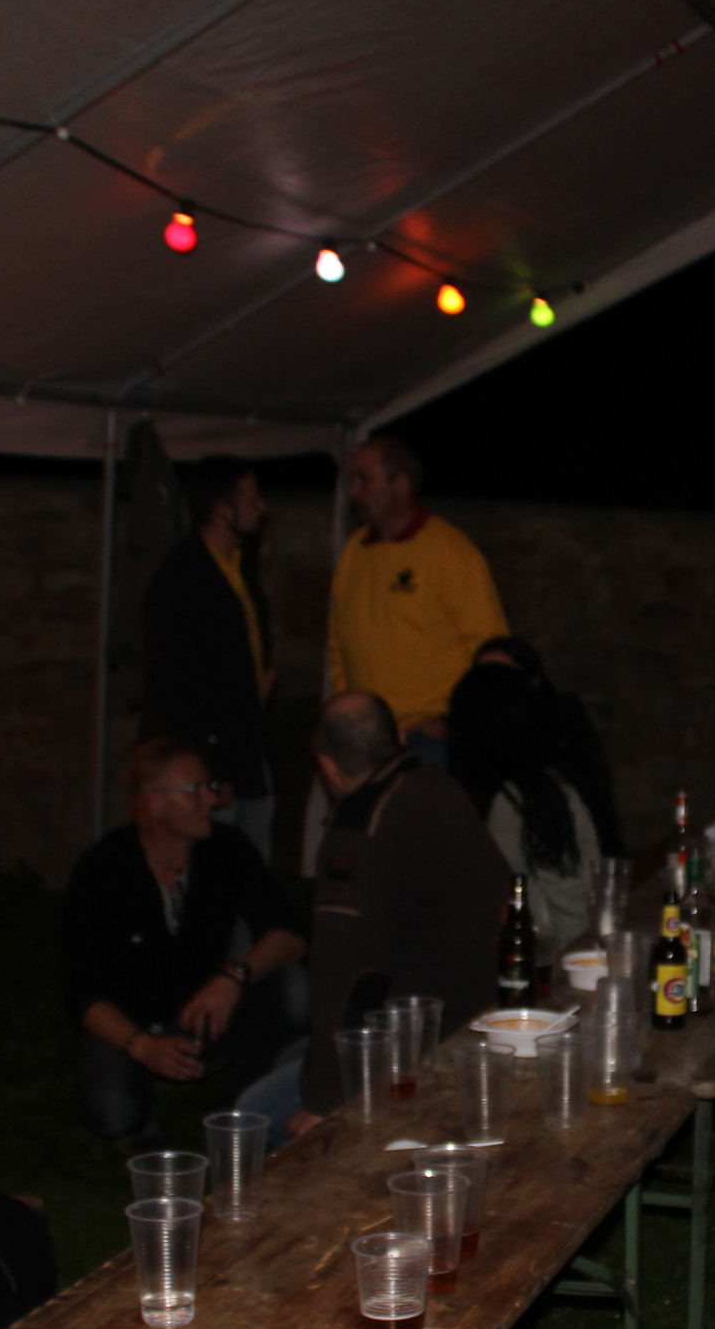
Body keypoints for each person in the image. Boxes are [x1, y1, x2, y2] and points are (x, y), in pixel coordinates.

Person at [245, 692, 508, 1139]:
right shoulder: (437, 786)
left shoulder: (360, 831)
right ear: (400, 737)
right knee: (290, 1058)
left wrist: (326, 1101)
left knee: (253, 1115)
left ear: (327, 766)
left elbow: (342, 971)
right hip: (477, 1008)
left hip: (418, 1046)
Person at [59, 737, 305, 1151]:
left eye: (210, 787)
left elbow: (290, 934)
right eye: (195, 790)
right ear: (153, 802)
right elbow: (81, 992)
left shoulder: (225, 849)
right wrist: (142, 1045)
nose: (211, 800)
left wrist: (232, 978)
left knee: (292, 985)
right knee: (114, 1114)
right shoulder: (104, 869)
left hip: (204, 1016)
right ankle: (138, 1120)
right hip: (128, 1027)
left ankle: (237, 1110)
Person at [327, 436, 509, 767]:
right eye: (352, 479)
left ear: (399, 485)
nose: (353, 491)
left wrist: (453, 723)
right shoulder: (354, 550)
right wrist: (344, 709)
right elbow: (340, 643)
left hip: (426, 741)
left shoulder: (449, 551)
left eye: (364, 479)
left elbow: (492, 651)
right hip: (365, 737)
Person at [142, 455, 277, 855]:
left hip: (247, 747)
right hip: (212, 761)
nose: (261, 507)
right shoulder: (182, 580)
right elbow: (173, 687)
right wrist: (211, 774)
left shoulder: (238, 567)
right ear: (222, 510)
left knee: (250, 863)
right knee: (213, 866)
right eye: (250, 498)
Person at [448, 658, 607, 954]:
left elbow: (569, 910)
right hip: (554, 954)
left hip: (550, 961)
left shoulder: (514, 804)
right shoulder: (543, 791)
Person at [472, 634, 625, 856]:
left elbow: (593, 801)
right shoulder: (471, 734)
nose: (494, 687)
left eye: (504, 677)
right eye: (484, 678)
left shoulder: (560, 722)